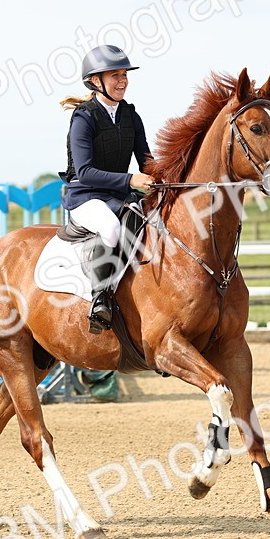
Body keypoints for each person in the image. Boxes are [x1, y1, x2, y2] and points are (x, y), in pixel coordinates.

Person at [59, 45, 155, 333]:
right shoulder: (84, 118)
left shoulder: (130, 115)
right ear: (96, 81)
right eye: (115, 75)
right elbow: (85, 172)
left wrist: (171, 174)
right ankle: (100, 299)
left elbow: (146, 161)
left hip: (119, 195)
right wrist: (130, 180)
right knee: (111, 228)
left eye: (124, 74)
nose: (122, 81)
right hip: (86, 196)